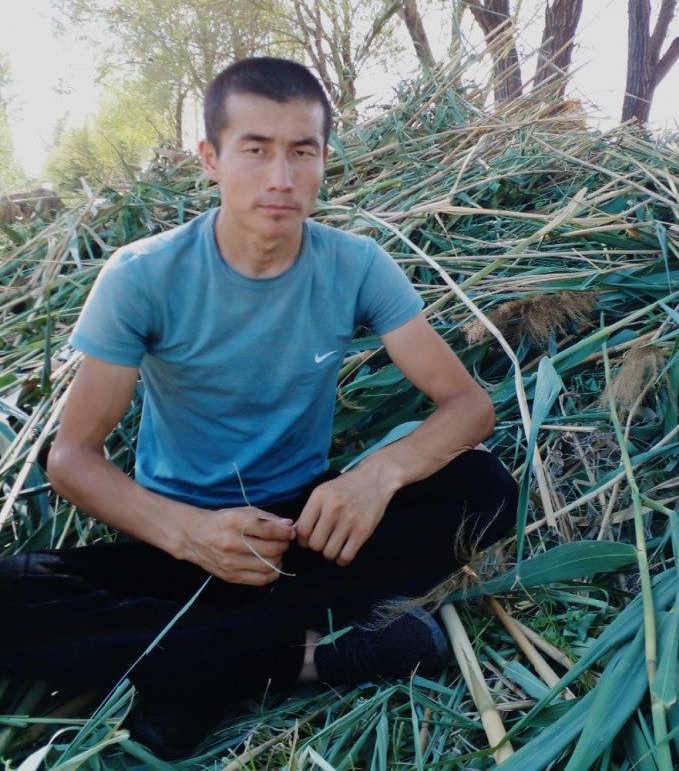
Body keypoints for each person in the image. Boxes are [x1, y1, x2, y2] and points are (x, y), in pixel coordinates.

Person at [0, 57, 517, 759]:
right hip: (174, 536)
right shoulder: (142, 276)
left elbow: (467, 405)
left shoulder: (356, 265)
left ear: (324, 159)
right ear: (210, 159)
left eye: (301, 151)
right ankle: (307, 659)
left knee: (485, 486)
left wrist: (376, 476)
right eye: (255, 149)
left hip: (303, 535)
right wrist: (191, 535)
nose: (281, 177)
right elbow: (72, 458)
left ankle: (194, 667)